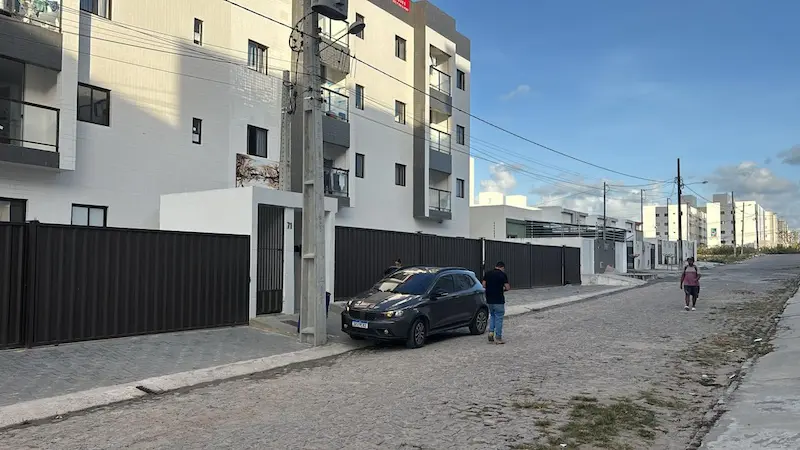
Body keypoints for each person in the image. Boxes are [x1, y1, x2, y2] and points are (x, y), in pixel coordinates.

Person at [482, 261, 510, 344]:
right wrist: (502, 289)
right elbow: (507, 287)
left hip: (489, 299)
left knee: (492, 316)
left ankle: (491, 334)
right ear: (502, 267)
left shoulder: (487, 273)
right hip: (499, 300)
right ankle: (498, 337)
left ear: (496, 266)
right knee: (499, 318)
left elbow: (483, 285)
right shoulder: (502, 275)